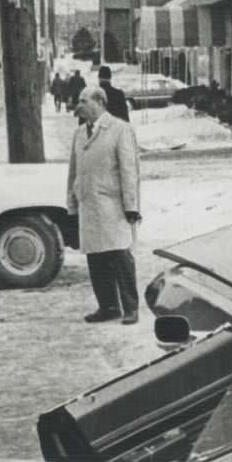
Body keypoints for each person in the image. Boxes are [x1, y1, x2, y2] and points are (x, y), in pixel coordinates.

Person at [65, 88, 142, 324]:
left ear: (99, 103)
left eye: (83, 101)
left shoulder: (120, 130)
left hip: (113, 205)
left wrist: (131, 206)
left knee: (120, 256)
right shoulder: (80, 133)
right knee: (96, 258)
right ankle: (108, 306)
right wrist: (72, 202)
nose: (78, 105)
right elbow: (73, 171)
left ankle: (131, 307)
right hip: (89, 205)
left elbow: (130, 171)